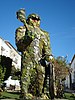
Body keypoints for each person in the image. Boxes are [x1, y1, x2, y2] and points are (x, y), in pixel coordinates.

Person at [15, 8, 52, 99]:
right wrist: (27, 38)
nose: (35, 20)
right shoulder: (22, 30)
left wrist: (48, 55)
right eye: (33, 18)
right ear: (28, 19)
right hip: (28, 57)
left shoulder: (44, 34)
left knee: (42, 76)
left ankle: (42, 93)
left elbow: (47, 47)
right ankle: (24, 93)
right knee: (25, 75)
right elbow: (19, 46)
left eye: (37, 19)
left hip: (40, 59)